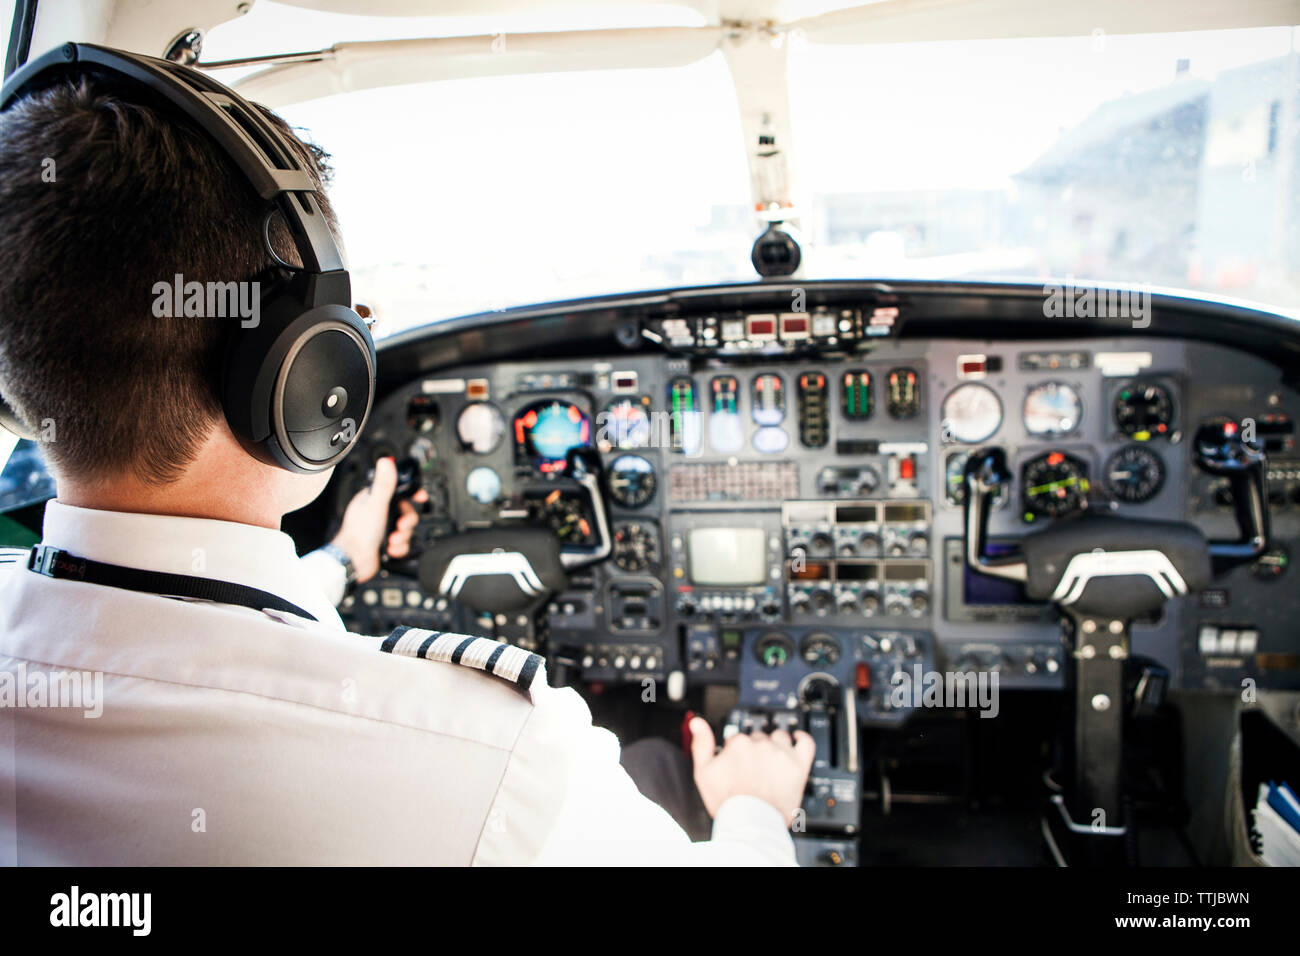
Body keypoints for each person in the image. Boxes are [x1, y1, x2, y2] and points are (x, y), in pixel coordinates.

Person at [0, 71, 814, 865]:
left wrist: (343, 562)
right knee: (665, 770)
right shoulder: (491, 759)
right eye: (347, 316)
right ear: (303, 371)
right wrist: (754, 808)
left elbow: (185, 636)